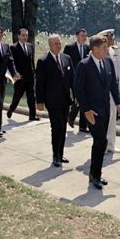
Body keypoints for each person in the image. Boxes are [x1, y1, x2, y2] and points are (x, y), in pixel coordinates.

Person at [74, 35, 120, 189]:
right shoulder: (84, 65)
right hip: (92, 112)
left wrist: (118, 103)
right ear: (94, 49)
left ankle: (96, 174)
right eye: (104, 47)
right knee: (100, 141)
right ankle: (94, 175)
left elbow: (113, 85)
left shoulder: (108, 62)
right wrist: (86, 110)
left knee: (101, 142)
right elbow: (78, 90)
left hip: (106, 109)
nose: (107, 49)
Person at [36, 34, 74, 167]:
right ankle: (55, 155)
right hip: (52, 101)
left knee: (63, 128)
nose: (59, 46)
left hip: (65, 100)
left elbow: (72, 80)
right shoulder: (43, 61)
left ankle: (61, 153)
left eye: (59, 43)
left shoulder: (67, 58)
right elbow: (39, 83)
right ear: (50, 45)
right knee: (57, 127)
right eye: (56, 44)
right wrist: (39, 101)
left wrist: (77, 96)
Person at [97, 29, 120, 154]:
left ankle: (110, 144)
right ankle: (102, 144)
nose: (112, 40)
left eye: (112, 37)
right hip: (103, 90)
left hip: (114, 88)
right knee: (104, 118)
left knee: (112, 118)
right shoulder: (98, 52)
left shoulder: (114, 51)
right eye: (109, 38)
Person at [7, 28, 39, 121]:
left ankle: (32, 115)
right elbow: (12, 62)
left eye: (26, 35)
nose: (25, 37)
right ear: (18, 36)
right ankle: (12, 108)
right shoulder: (13, 47)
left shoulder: (30, 46)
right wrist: (14, 74)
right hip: (20, 77)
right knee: (17, 95)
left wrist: (34, 72)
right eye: (23, 35)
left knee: (31, 96)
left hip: (30, 76)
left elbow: (31, 60)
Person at [63, 28, 89, 133]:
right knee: (77, 99)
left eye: (85, 36)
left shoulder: (88, 48)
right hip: (73, 79)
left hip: (86, 79)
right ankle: (71, 116)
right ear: (77, 36)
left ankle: (82, 126)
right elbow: (64, 61)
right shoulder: (69, 48)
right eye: (82, 35)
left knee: (84, 100)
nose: (84, 37)